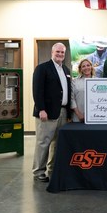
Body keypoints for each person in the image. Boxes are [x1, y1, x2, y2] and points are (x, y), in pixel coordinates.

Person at [32, 42, 72, 182]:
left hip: (62, 112)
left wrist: (68, 114)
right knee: (43, 142)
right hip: (46, 113)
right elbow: (37, 91)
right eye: (58, 52)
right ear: (52, 52)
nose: (60, 54)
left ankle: (52, 169)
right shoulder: (42, 68)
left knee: (57, 143)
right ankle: (38, 172)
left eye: (62, 52)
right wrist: (41, 109)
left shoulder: (66, 70)